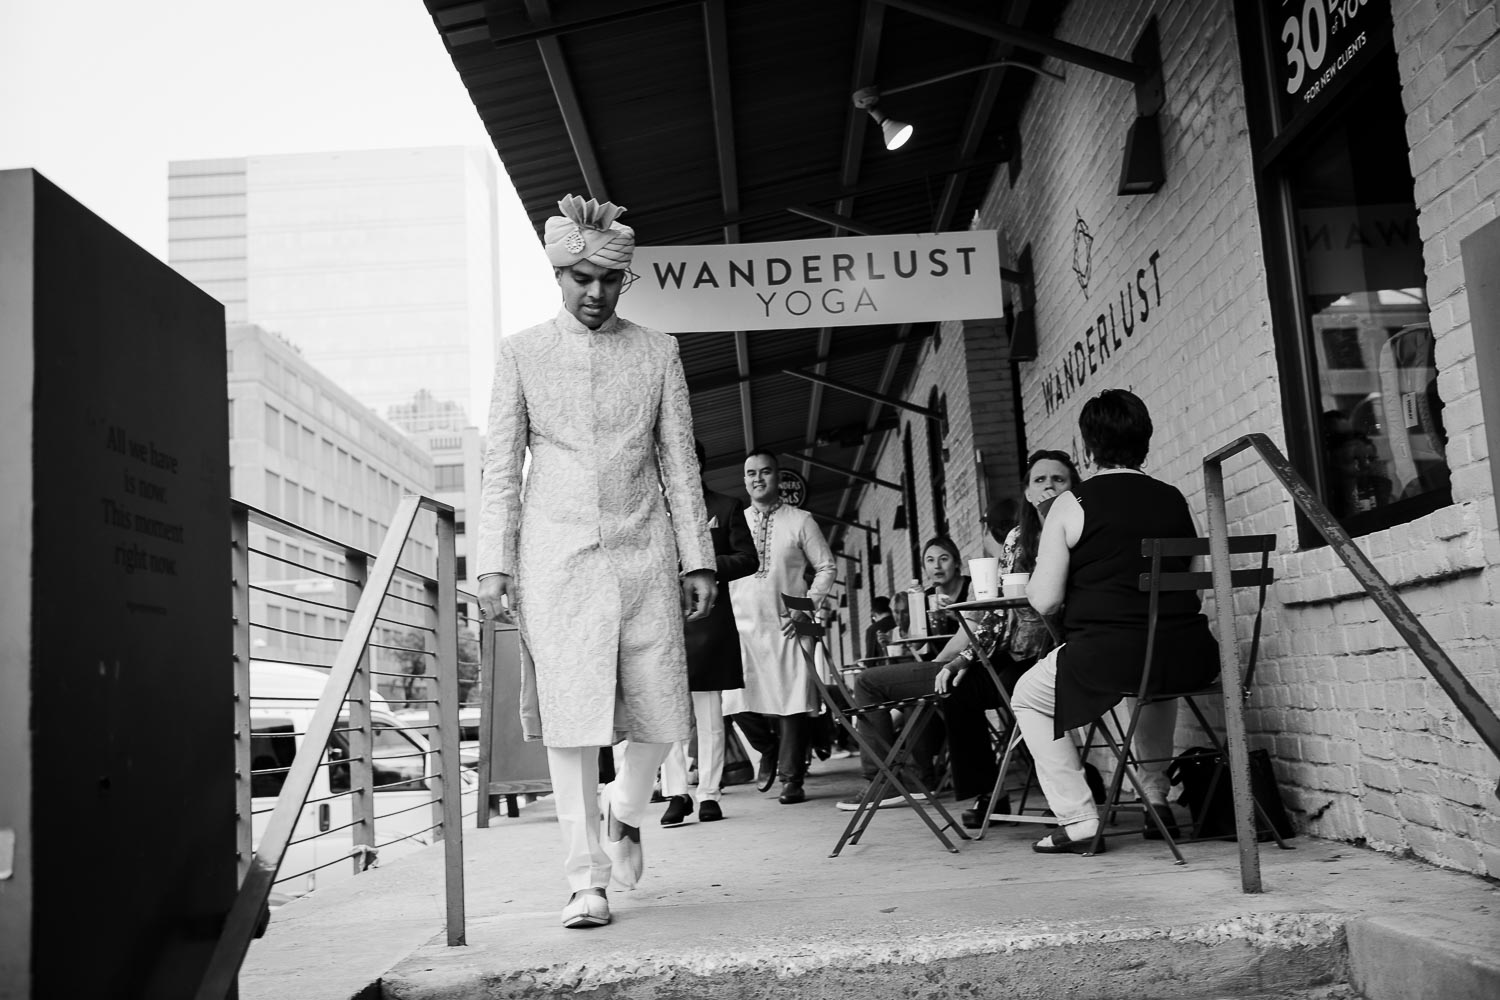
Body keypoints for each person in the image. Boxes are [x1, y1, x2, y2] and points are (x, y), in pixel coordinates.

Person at [477, 195, 717, 929]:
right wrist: (493, 562)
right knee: (574, 720)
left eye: (608, 280)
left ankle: (627, 808)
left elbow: (680, 462)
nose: (594, 292)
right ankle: (585, 880)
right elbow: (500, 467)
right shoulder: (522, 352)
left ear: (624, 281)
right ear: (558, 274)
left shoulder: (658, 351)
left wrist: (697, 558)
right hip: (555, 556)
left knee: (661, 706)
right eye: (580, 277)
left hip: (645, 547)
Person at [1015, 389, 1219, 854]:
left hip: (1107, 658)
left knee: (1027, 695)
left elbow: (1045, 602)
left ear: (1088, 448)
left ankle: (1079, 819)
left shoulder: (1071, 504)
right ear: (1144, 441)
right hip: (1189, 654)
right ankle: (1155, 796)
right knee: (1151, 682)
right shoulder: (1173, 499)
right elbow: (1195, 587)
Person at [931, 450, 1082, 827]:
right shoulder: (1017, 537)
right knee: (958, 687)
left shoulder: (1080, 527)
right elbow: (997, 612)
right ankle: (989, 794)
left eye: (1058, 479)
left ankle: (1072, 788)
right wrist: (962, 658)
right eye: (1039, 480)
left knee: (1024, 693)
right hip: (1015, 650)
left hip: (1059, 651)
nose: (1048, 486)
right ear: (1028, 493)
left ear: (1072, 488)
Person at [724, 448, 837, 805]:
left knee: (793, 700)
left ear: (778, 477)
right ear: (744, 480)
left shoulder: (801, 520)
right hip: (742, 626)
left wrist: (805, 609)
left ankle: (792, 778)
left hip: (791, 624)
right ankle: (767, 748)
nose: (758, 478)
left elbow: (826, 567)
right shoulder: (734, 521)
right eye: (751, 473)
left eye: (766, 471)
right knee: (734, 700)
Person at [659, 440, 760, 826]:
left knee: (710, 714)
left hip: (709, 622)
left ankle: (709, 794)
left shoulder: (725, 506)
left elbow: (748, 559)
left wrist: (702, 566)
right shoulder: (652, 513)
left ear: (698, 463)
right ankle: (676, 792)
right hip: (662, 625)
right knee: (663, 714)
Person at [834, 535, 970, 810]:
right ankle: (921, 778)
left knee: (866, 682)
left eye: (943, 559)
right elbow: (916, 644)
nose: (937, 566)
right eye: (930, 561)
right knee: (908, 701)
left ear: (956, 563)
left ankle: (881, 781)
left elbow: (973, 634)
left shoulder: (972, 588)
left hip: (960, 670)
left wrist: (953, 620)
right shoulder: (926, 597)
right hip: (938, 670)